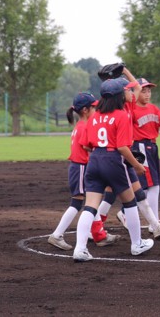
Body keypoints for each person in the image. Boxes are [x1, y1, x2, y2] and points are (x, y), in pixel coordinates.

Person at [71, 77, 155, 261]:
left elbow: (86, 145)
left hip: (94, 160)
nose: (129, 93)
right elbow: (122, 147)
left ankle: (80, 249)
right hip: (113, 161)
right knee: (130, 202)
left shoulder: (95, 117)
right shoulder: (121, 115)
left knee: (90, 207)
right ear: (119, 96)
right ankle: (137, 244)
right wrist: (137, 165)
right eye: (126, 91)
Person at [47, 92, 120, 250]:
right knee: (77, 203)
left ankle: (99, 235)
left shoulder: (80, 124)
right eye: (93, 106)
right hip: (80, 167)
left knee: (90, 203)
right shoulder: (85, 126)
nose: (96, 109)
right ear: (86, 110)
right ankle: (57, 235)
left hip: (79, 166)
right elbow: (87, 146)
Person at [128, 77, 160, 240]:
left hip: (152, 147)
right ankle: (154, 223)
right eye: (144, 90)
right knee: (153, 185)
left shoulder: (154, 109)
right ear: (136, 92)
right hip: (140, 147)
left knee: (145, 186)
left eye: (149, 90)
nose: (148, 93)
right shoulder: (132, 109)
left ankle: (128, 213)